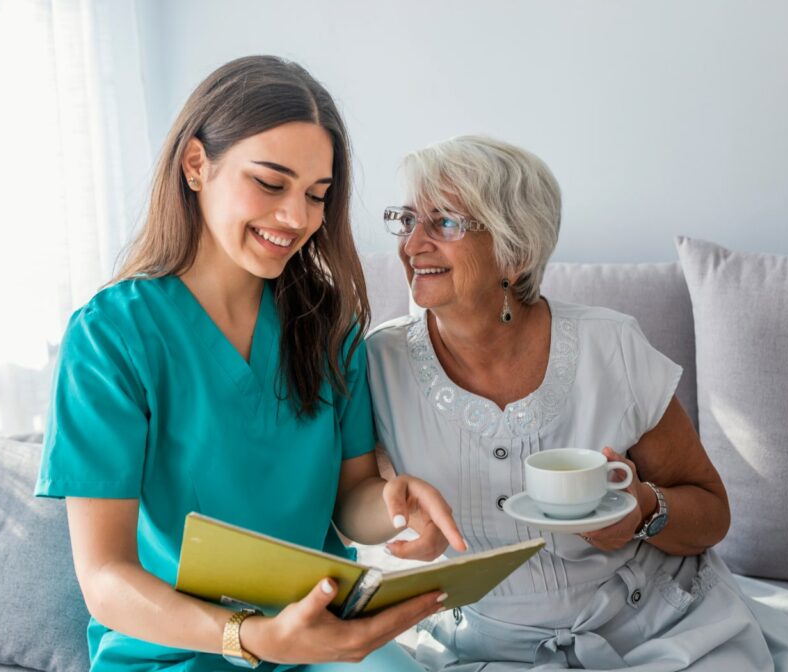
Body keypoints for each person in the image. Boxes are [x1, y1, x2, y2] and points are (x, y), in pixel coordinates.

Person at [366, 134, 788, 671]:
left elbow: (711, 512)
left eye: (443, 223)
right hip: (484, 649)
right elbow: (351, 502)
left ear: (515, 252)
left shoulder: (608, 346)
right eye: (408, 220)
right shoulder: (378, 364)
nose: (413, 244)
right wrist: (394, 517)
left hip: (657, 632)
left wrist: (641, 512)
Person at [35, 55, 466, 672]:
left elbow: (352, 500)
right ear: (195, 164)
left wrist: (396, 505)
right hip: (174, 654)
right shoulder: (110, 338)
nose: (297, 218)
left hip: (322, 641)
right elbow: (105, 577)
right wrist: (252, 637)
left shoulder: (328, 326)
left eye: (317, 196)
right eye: (271, 183)